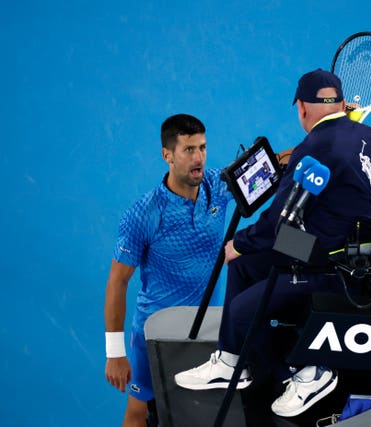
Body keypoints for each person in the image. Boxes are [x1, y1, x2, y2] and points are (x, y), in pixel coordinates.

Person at [174, 69, 371, 418]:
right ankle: (230, 361)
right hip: (358, 247)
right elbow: (340, 169)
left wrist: (239, 242)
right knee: (246, 266)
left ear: (303, 109)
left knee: (245, 305)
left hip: (329, 261)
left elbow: (277, 225)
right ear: (340, 103)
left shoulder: (316, 149)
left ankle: (306, 374)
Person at [103, 114, 233, 426]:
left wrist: (332, 125)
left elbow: (274, 164)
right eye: (188, 150)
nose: (198, 157)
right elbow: (117, 283)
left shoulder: (217, 185)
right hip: (157, 337)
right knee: (138, 415)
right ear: (167, 156)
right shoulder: (145, 214)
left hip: (205, 334)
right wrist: (115, 353)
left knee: (197, 415)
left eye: (202, 147)